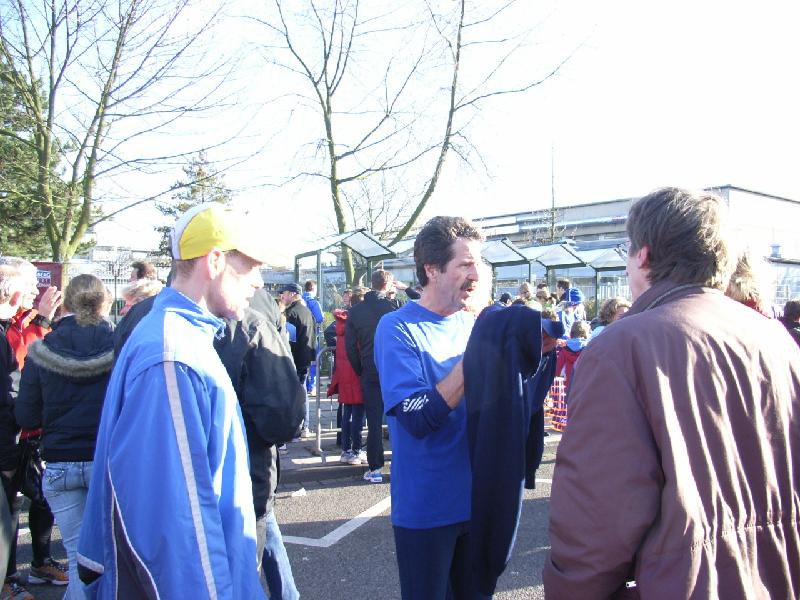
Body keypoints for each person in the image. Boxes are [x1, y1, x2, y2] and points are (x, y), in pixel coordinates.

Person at [543, 187, 800, 598]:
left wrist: (569, 590)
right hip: (778, 576)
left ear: (643, 256)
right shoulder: (778, 340)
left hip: (683, 583)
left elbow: (599, 516)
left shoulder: (622, 347)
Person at [77, 204, 268, 598]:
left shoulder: (178, 338)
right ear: (215, 261)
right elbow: (178, 529)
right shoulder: (172, 354)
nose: (259, 282)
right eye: (250, 266)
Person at [374, 216, 487, 599]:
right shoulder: (396, 327)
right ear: (432, 269)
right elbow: (417, 417)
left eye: (478, 263)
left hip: (477, 504)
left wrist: (537, 356)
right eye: (465, 264)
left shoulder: (473, 324)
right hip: (427, 510)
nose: (476, 274)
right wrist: (477, 356)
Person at [15, 275, 115, 600]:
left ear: (67, 303)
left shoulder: (42, 349)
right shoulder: (120, 346)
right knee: (108, 557)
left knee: (77, 558)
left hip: (59, 462)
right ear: (104, 303)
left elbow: (26, 417)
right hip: (105, 461)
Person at [214, 288, 304, 600]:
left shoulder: (149, 322)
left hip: (189, 485)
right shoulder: (251, 324)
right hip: (246, 471)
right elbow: (283, 418)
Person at [0, 257, 67, 594]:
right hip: (12, 430)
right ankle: (10, 577)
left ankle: (38, 563)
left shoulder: (20, 320)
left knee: (38, 499)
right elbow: (24, 362)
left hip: (25, 428)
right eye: (29, 285)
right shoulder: (12, 324)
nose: (35, 291)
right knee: (9, 507)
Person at [345, 270, 397, 483]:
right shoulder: (394, 306)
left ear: (371, 283)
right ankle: (401, 464)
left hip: (370, 368)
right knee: (399, 418)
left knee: (373, 421)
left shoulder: (356, 311)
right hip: (394, 368)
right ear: (389, 284)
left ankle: (375, 468)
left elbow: (350, 347)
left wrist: (360, 369)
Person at [327, 309, 365, 465]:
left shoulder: (341, 326)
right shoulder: (357, 325)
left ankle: (346, 449)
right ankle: (356, 450)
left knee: (347, 413)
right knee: (358, 416)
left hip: (344, 374)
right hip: (356, 374)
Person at [279, 283, 316, 438]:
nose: (282, 296)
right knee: (302, 392)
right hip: (305, 358)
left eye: (284, 293)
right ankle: (304, 426)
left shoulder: (291, 314)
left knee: (294, 395)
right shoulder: (307, 312)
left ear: (293, 294)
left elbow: (289, 340)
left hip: (294, 359)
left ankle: (296, 427)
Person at [302, 280, 324, 395]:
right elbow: (320, 318)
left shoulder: (299, 301)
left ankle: (304, 385)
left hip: (300, 335)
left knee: (302, 361)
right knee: (314, 360)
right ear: (314, 289)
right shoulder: (313, 302)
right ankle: (312, 386)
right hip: (313, 335)